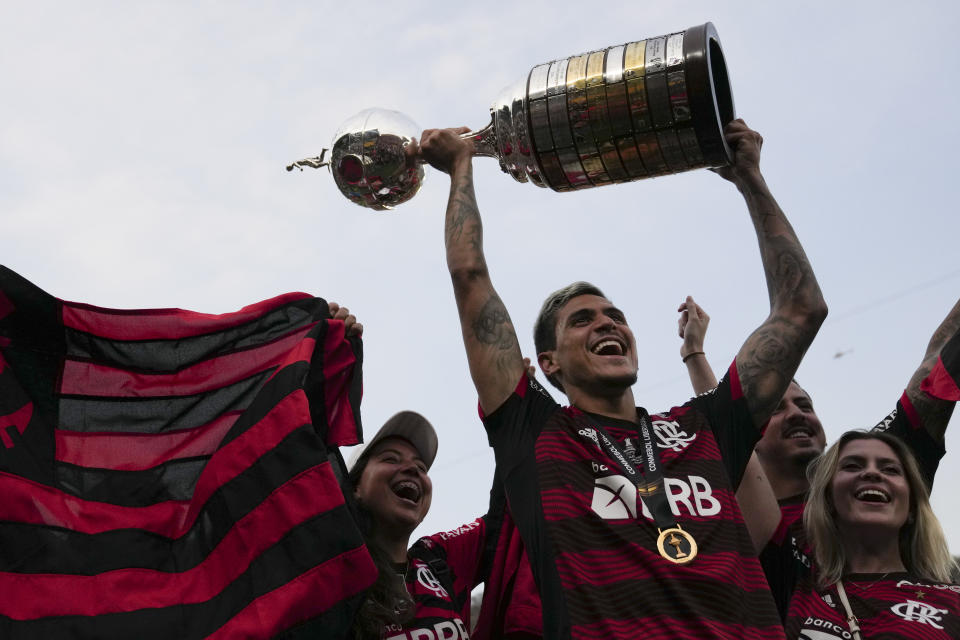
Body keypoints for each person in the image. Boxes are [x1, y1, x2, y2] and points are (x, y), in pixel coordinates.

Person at [419, 119, 828, 639]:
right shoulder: (536, 433)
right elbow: (470, 277)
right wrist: (460, 168)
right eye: (582, 320)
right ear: (548, 363)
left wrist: (749, 178)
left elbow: (800, 309)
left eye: (615, 315)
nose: (608, 323)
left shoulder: (705, 427)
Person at [677, 295, 960, 616]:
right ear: (750, 432)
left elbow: (936, 367)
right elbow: (723, 423)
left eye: (805, 405)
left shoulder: (871, 474)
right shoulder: (745, 528)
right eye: (776, 410)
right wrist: (694, 355)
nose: (797, 414)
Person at [769, 431, 959, 639]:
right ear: (829, 500)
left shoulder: (953, 601)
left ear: (912, 508)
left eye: (891, 469)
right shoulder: (793, 585)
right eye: (852, 466)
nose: (872, 473)